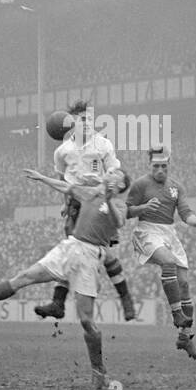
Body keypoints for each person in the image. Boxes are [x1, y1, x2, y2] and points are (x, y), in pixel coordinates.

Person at [0, 167, 132, 390]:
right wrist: (42, 179)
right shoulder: (90, 193)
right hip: (70, 248)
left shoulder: (119, 204)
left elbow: (118, 223)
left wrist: (108, 199)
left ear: (119, 185)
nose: (108, 174)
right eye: (109, 172)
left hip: (89, 257)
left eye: (114, 175)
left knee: (86, 321)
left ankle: (99, 371)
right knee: (25, 276)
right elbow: (66, 187)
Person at [34, 101, 137, 323]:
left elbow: (115, 173)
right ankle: (58, 303)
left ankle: (126, 299)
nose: (88, 122)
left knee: (106, 254)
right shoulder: (62, 151)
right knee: (72, 250)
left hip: (98, 201)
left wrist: (110, 199)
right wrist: (65, 202)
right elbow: (64, 179)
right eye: (83, 119)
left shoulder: (103, 145)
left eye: (91, 118)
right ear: (72, 122)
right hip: (76, 202)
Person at [124, 147, 196, 360]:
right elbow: (126, 211)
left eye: (163, 166)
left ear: (168, 165)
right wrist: (144, 207)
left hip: (169, 232)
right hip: (147, 230)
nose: (159, 170)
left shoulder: (176, 187)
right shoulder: (140, 185)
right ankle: (177, 313)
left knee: (184, 283)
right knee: (167, 262)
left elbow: (185, 213)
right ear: (149, 165)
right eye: (155, 166)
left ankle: (185, 338)